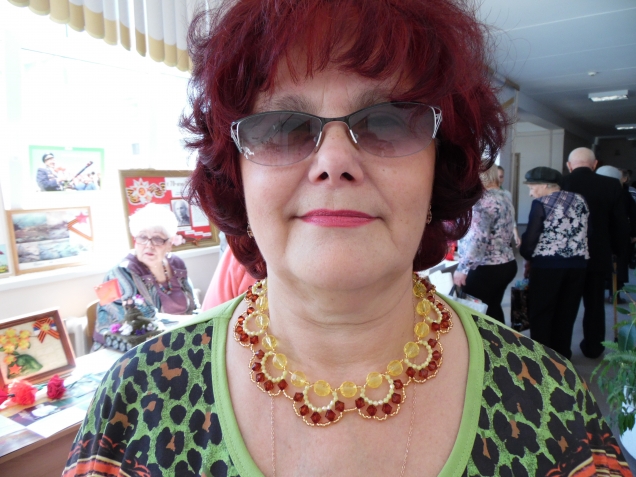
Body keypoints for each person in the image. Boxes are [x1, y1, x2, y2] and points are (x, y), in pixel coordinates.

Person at [63, 1, 633, 476]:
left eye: (386, 121)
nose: (333, 162)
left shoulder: (552, 401)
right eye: (282, 127)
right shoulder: (135, 399)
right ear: (236, 176)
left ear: (439, 167)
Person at [91, 203, 199, 350]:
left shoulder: (177, 264)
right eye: (142, 237)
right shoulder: (117, 273)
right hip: (125, 351)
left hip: (177, 342)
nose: (149, 245)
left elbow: (194, 307)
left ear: (169, 243)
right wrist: (190, 322)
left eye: (157, 239)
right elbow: (141, 323)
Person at [561, 148, 629, 359]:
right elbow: (620, 224)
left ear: (569, 165)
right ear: (595, 164)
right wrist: (619, 253)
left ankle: (561, 349)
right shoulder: (611, 185)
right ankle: (593, 347)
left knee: (566, 303)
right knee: (595, 304)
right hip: (598, 253)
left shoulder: (561, 183)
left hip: (565, 255)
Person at [519, 167, 589, 359]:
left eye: (532, 187)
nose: (531, 192)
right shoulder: (580, 200)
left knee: (541, 312)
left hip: (547, 266)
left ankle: (542, 358)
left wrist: (525, 253)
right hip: (578, 265)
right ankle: (562, 355)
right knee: (567, 312)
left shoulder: (542, 203)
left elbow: (531, 238)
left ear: (545, 185)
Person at [453, 164, 518, 323]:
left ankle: (486, 340)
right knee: (493, 308)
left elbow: (478, 240)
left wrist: (462, 269)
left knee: (478, 315)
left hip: (486, 268)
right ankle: (500, 338)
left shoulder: (482, 201)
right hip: (506, 264)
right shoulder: (504, 197)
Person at [497, 165, 521, 247]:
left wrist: (516, 234)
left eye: (501, 177)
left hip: (504, 234)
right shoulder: (483, 194)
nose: (499, 180)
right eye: (496, 176)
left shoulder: (506, 194)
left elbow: (510, 215)